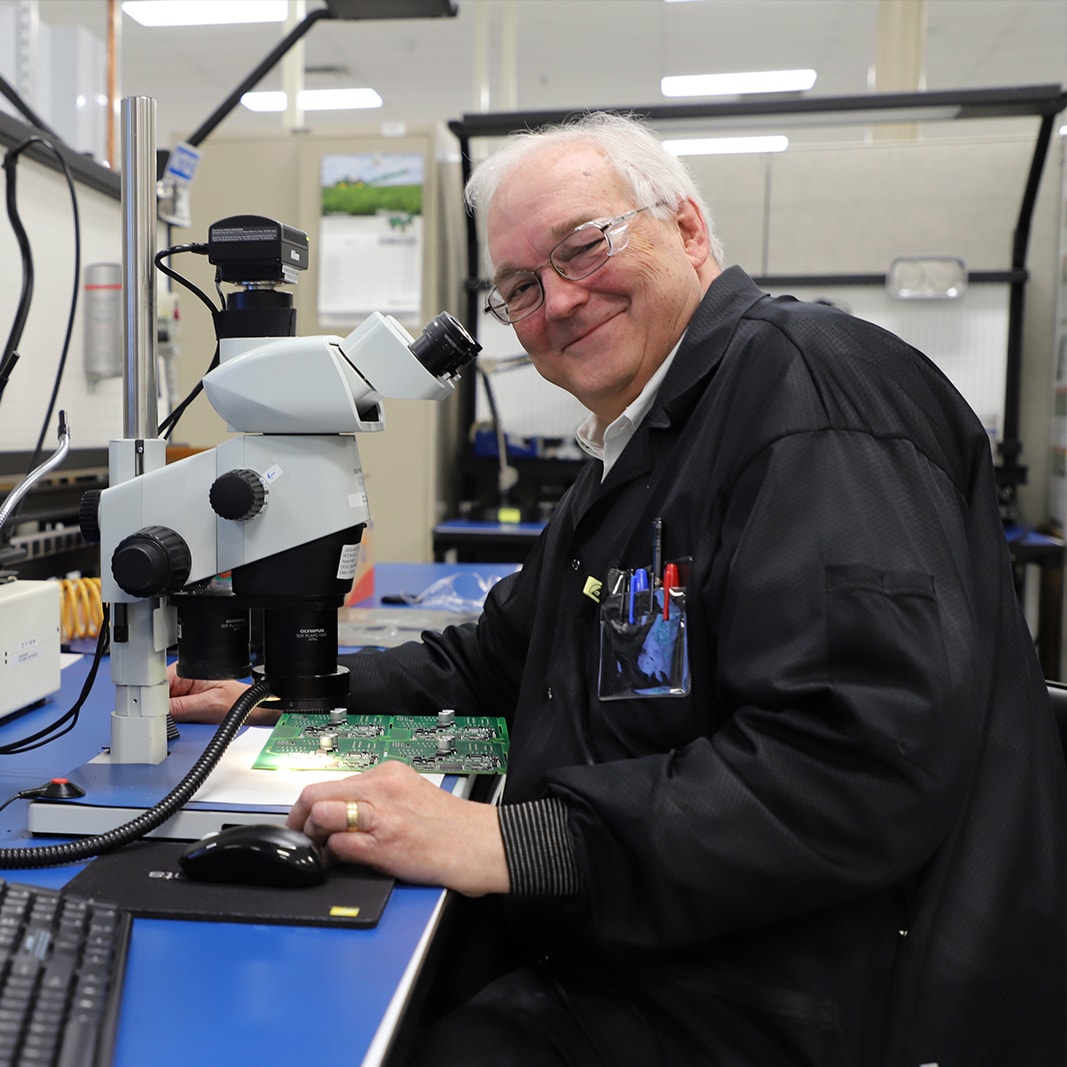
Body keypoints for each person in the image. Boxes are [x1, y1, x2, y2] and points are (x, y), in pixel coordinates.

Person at [170, 112, 1066, 1065]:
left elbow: (853, 763)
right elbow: (502, 659)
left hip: (812, 989)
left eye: (583, 244)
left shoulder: (810, 397)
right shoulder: (648, 442)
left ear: (685, 230)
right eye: (518, 285)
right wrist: (294, 703)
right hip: (675, 928)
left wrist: (509, 843)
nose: (556, 300)